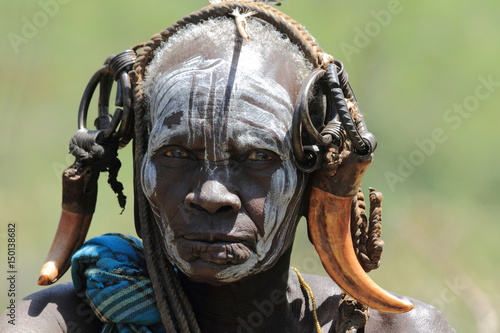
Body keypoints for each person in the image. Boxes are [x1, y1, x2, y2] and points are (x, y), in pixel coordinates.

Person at [2, 1, 455, 332]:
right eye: (177, 154)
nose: (212, 196)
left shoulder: (396, 330)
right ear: (140, 164)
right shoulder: (52, 325)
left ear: (315, 175)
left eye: (258, 158)